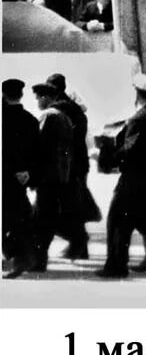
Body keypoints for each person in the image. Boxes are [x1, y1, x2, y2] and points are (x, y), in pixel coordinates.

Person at [96, 76, 146, 278]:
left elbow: (130, 150)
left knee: (116, 221)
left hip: (132, 180)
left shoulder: (139, 118)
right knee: (138, 221)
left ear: (136, 93)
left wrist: (108, 158)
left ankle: (116, 266)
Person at [47, 73, 95, 260]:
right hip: (78, 164)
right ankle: (80, 247)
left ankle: (78, 241)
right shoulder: (75, 108)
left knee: (58, 206)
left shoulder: (59, 109)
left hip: (67, 166)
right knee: (74, 205)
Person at [30, 82, 74, 272]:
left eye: (38, 97)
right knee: (48, 218)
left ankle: (39, 260)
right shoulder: (64, 117)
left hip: (47, 176)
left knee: (41, 219)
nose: (37, 101)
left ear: (46, 97)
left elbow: (38, 147)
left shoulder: (48, 116)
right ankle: (40, 258)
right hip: (60, 175)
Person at [2, 79, 40, 278]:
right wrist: (28, 172)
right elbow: (36, 151)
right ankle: (22, 256)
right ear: (21, 95)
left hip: (4, 176)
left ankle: (14, 255)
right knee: (19, 217)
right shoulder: (31, 120)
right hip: (20, 178)